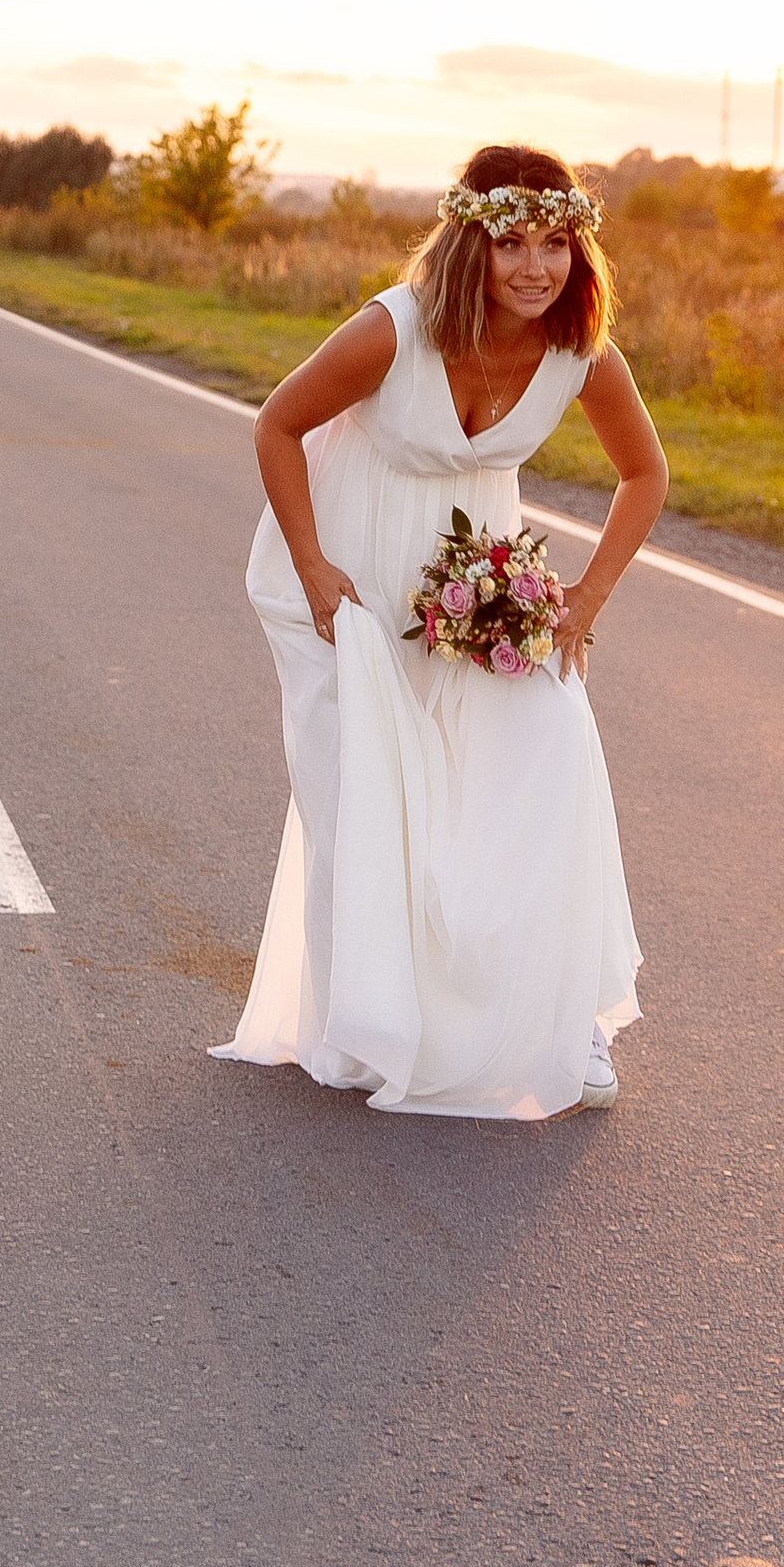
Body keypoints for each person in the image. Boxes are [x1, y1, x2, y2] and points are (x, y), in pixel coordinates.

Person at [215, 144, 669, 1120]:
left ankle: (560, 1015)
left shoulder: (578, 349)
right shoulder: (395, 329)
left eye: (557, 243)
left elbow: (646, 475)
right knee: (372, 799)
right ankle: (376, 1023)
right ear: (471, 242)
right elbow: (277, 426)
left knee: (546, 759)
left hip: (477, 586)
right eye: (511, 243)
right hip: (346, 588)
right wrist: (311, 567)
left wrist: (582, 601)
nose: (536, 267)